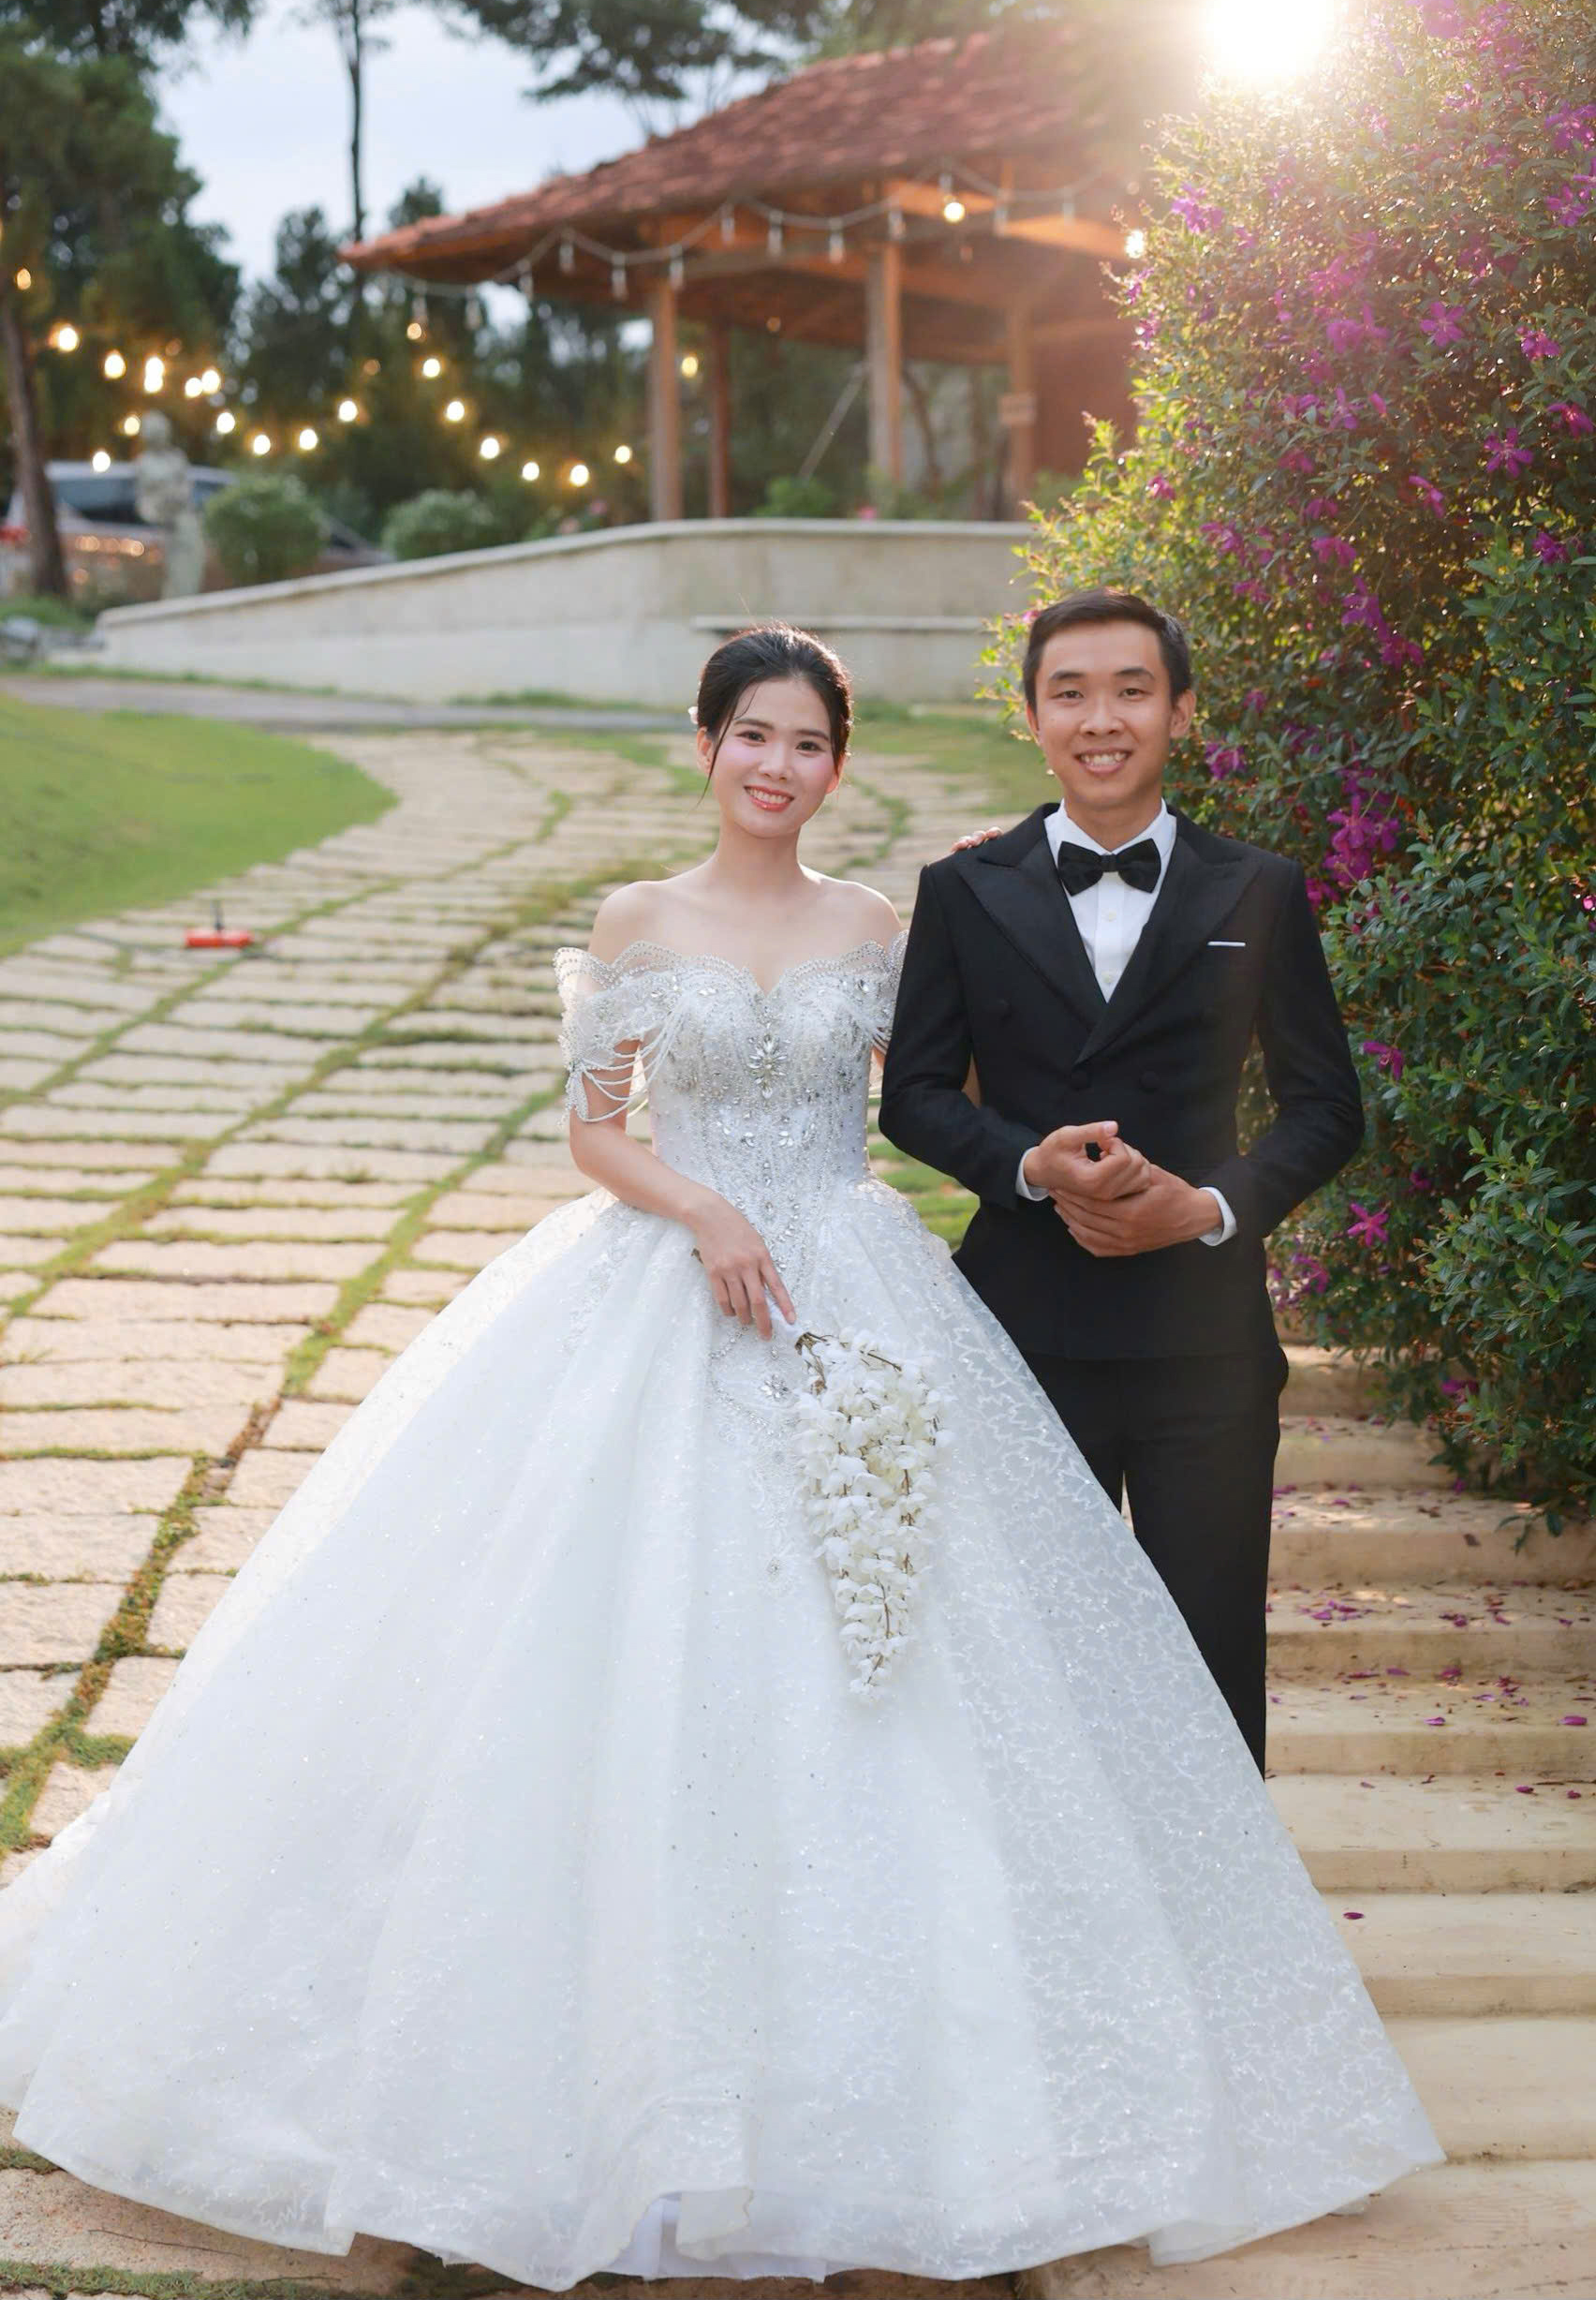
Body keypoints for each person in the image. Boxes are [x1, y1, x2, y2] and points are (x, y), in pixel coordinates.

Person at [0, 627, 1437, 2289]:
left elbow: (932, 1094)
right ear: (705, 746)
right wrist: (700, 1211)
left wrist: (1078, 1159)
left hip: (852, 1284)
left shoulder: (885, 926)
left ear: (839, 763)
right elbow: (593, 1125)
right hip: (666, 1282)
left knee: (902, 1645)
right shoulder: (635, 919)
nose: (778, 765)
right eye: (752, 736)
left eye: (808, 742)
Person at [879, 588, 1364, 1773]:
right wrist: (1025, 1167)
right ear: (1033, 717)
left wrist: (1207, 1207)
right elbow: (915, 1096)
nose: (1102, 719)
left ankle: (1220, 1895)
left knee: (1210, 1653)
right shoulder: (964, 889)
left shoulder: (1258, 886)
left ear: (1181, 711)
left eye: (1132, 691)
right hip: (1023, 1336)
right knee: (1034, 1662)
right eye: (1071, 693)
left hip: (1205, 1345)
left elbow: (1326, 1108)